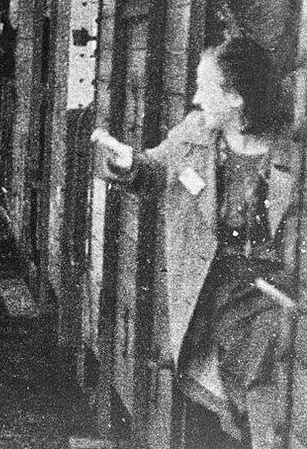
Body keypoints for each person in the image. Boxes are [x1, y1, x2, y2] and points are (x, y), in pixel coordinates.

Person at [92, 35, 295, 448]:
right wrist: (130, 163)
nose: (197, 98)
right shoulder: (194, 136)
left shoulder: (292, 150)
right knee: (220, 413)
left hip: (272, 309)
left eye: (206, 87)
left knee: (268, 414)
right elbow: (157, 170)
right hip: (211, 303)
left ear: (236, 97)